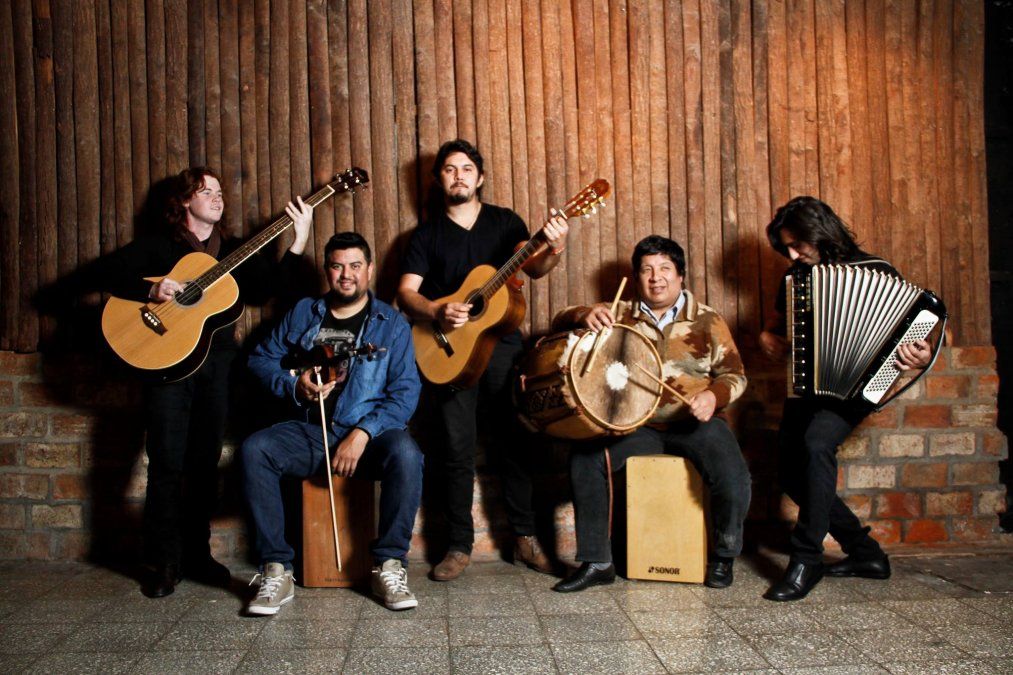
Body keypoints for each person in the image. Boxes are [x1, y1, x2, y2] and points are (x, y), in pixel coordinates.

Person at [105, 167, 313, 598]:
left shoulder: (234, 250)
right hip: (166, 369)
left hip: (216, 369)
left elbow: (266, 291)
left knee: (203, 464)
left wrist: (299, 240)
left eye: (220, 191)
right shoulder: (159, 247)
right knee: (166, 463)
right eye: (206, 191)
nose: (218, 197)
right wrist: (153, 290)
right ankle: (163, 561)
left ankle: (197, 555)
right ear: (185, 201)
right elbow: (109, 273)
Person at [397, 139, 569, 580]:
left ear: (481, 178)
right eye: (450, 169)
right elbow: (406, 293)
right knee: (456, 450)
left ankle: (525, 539)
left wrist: (554, 247)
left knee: (515, 442)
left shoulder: (505, 222)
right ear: (439, 180)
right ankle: (458, 546)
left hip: (503, 348)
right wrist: (436, 309)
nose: (459, 176)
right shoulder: (427, 235)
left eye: (467, 168)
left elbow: (534, 268)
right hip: (449, 351)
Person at [550, 235, 752, 592]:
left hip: (694, 424)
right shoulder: (618, 313)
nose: (656, 277)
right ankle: (597, 562)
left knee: (733, 473)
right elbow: (559, 319)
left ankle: (723, 556)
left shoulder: (706, 319)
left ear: (680, 276)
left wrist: (712, 396)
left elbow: (735, 375)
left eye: (664, 269)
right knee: (586, 458)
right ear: (637, 277)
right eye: (646, 270)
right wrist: (583, 314)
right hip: (636, 426)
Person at [759, 196, 933, 601]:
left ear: (819, 232)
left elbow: (917, 339)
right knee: (790, 474)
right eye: (785, 248)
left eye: (797, 244)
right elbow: (777, 326)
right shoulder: (795, 279)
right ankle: (867, 554)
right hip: (806, 384)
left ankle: (806, 559)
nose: (792, 254)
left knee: (817, 443)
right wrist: (767, 336)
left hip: (859, 385)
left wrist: (920, 356)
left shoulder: (878, 272)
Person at [242, 232, 423, 615]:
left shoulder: (391, 324)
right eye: (337, 266)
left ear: (369, 269)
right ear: (327, 270)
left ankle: (389, 565)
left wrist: (362, 433)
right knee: (256, 449)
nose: (346, 275)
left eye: (355, 266)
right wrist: (294, 385)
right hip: (312, 432)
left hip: (369, 437)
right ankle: (277, 569)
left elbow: (405, 393)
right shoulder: (303, 313)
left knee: (407, 454)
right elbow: (260, 360)